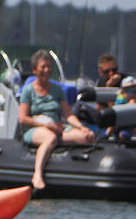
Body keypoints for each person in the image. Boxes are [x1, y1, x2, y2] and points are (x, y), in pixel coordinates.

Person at [19, 49, 96, 190]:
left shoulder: (57, 90)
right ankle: (37, 175)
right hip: (36, 128)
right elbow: (23, 119)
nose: (47, 70)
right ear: (35, 70)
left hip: (57, 127)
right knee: (50, 138)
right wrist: (45, 125)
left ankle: (79, 174)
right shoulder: (28, 90)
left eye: (49, 66)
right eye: (43, 67)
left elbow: (68, 115)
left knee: (86, 137)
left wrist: (81, 127)